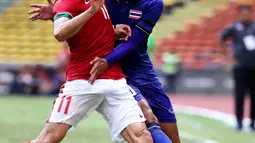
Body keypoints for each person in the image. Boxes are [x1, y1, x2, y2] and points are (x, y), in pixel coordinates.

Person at [27, 0, 180, 142]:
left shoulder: (147, 4)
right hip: (86, 77)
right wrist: (58, 14)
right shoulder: (74, 2)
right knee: (50, 137)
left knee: (145, 136)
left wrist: (112, 34)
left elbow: (97, 29)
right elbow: (60, 32)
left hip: (121, 75)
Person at [220, 4, 255, 132]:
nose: (245, 16)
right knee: (239, 95)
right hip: (240, 67)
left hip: (254, 67)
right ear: (239, 14)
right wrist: (227, 57)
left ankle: (252, 122)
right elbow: (222, 38)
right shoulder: (234, 27)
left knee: (254, 96)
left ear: (251, 13)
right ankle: (239, 122)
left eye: (247, 13)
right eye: (242, 13)